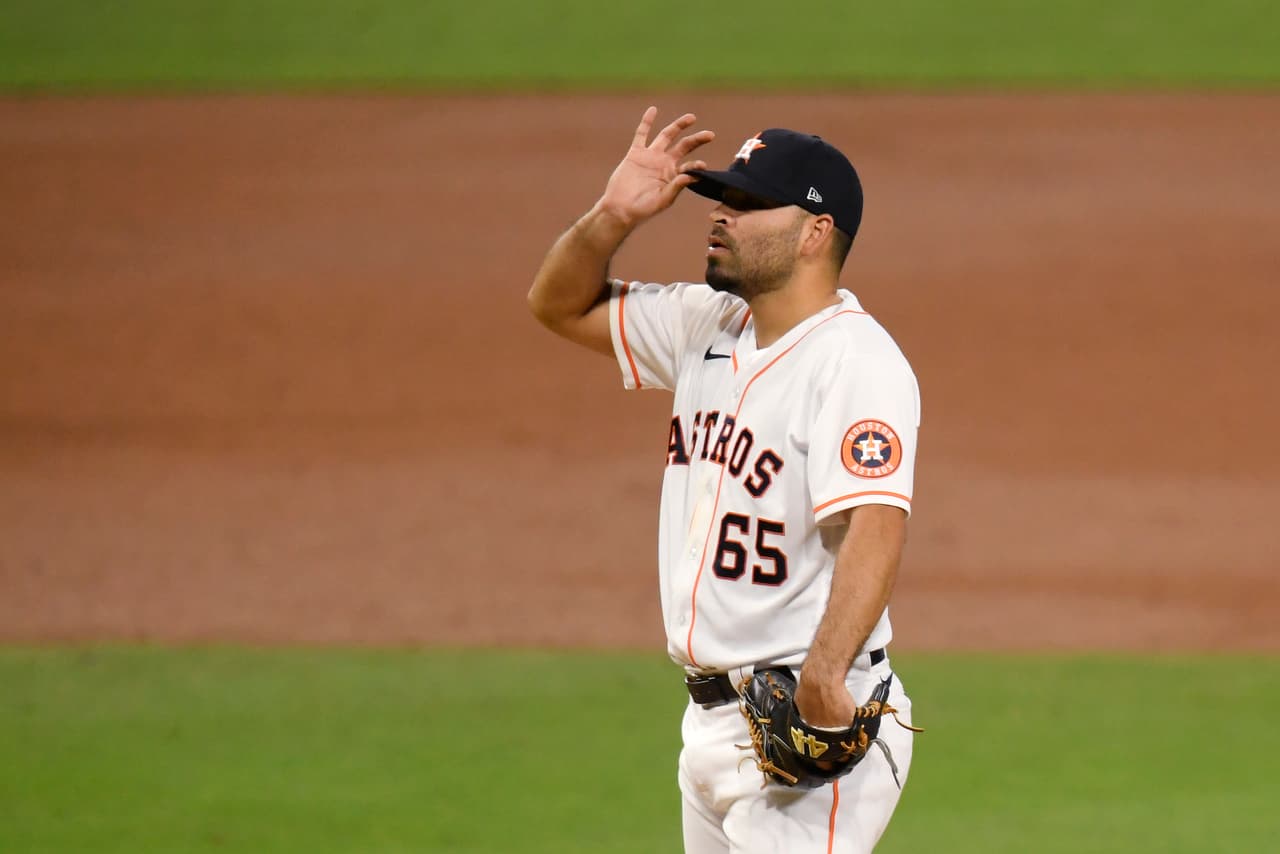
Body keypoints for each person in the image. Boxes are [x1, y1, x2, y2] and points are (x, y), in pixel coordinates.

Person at [528, 107, 921, 853]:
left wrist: (825, 676)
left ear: (814, 232)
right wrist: (613, 215)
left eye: (747, 203)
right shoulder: (704, 324)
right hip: (710, 728)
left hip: (807, 712)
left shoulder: (855, 362)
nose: (720, 215)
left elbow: (875, 522)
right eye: (722, 198)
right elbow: (558, 304)